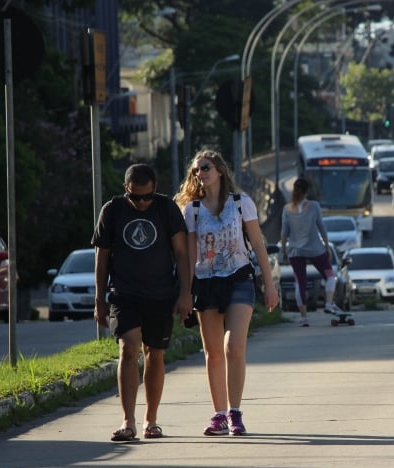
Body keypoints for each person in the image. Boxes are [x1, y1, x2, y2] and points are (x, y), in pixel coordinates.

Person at [174, 149, 279, 436]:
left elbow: (258, 245)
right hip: (206, 282)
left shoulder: (241, 203)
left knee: (233, 347)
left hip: (239, 278)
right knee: (212, 352)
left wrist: (269, 284)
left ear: (219, 170)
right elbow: (190, 255)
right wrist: (186, 292)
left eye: (205, 167)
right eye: (196, 170)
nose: (200, 173)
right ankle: (219, 414)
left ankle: (235, 412)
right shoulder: (192, 210)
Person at [92, 163, 193, 442]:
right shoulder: (112, 211)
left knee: (155, 353)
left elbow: (182, 254)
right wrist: (99, 299)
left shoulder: (166, 209)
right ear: (126, 189)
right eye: (135, 197)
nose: (142, 203)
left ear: (155, 189)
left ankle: (151, 420)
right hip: (124, 294)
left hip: (161, 294)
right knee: (128, 348)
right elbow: (102, 258)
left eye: (147, 196)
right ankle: (128, 421)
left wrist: (186, 293)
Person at [280, 177, 341, 327]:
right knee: (330, 275)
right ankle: (328, 303)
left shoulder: (287, 209)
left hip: (295, 251)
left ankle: (304, 318)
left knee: (299, 282)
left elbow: (284, 233)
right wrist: (326, 246)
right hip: (315, 249)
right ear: (307, 191)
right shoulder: (314, 206)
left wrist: (284, 251)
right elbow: (322, 227)